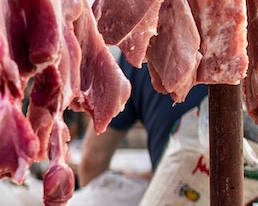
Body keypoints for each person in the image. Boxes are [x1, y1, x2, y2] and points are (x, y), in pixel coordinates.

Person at [78, 58, 208, 186]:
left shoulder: (139, 51)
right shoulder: (222, 51)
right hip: (197, 194)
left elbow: (93, 160)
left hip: (176, 198)